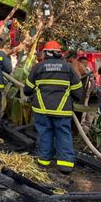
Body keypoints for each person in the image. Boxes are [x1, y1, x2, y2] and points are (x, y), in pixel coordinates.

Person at [24, 41, 83, 174]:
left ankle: (44, 162)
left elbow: (27, 90)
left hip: (42, 110)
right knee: (63, 134)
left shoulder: (38, 67)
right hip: (62, 110)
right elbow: (78, 92)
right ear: (59, 53)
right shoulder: (67, 68)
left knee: (44, 133)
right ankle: (65, 165)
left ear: (45, 53)